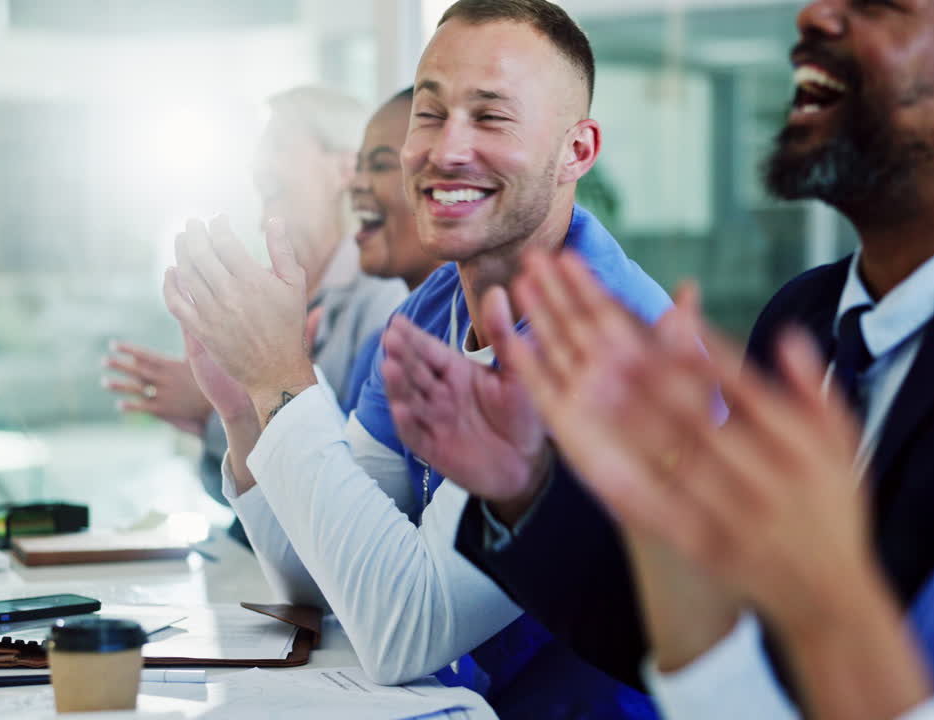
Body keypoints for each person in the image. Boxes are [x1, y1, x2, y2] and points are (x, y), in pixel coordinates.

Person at [381, 0, 934, 705]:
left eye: (878, 6)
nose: (813, 17)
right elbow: (694, 639)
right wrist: (525, 490)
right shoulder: (802, 317)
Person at [161, 1, 666, 717]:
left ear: (576, 152)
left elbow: (409, 629)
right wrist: (247, 412)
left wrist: (282, 380)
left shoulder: (603, 338)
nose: (447, 149)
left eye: (491, 118)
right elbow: (318, 580)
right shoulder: (431, 308)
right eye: (429, 115)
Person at [103, 87, 406, 545]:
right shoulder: (280, 296)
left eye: (279, 142)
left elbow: (351, 484)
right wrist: (223, 417)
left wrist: (218, 410)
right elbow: (245, 506)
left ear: (344, 168)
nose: (257, 164)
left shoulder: (385, 298)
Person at [343, 87, 445, 410]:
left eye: (381, 165)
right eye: (359, 167)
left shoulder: (487, 343)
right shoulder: (383, 346)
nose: (356, 183)